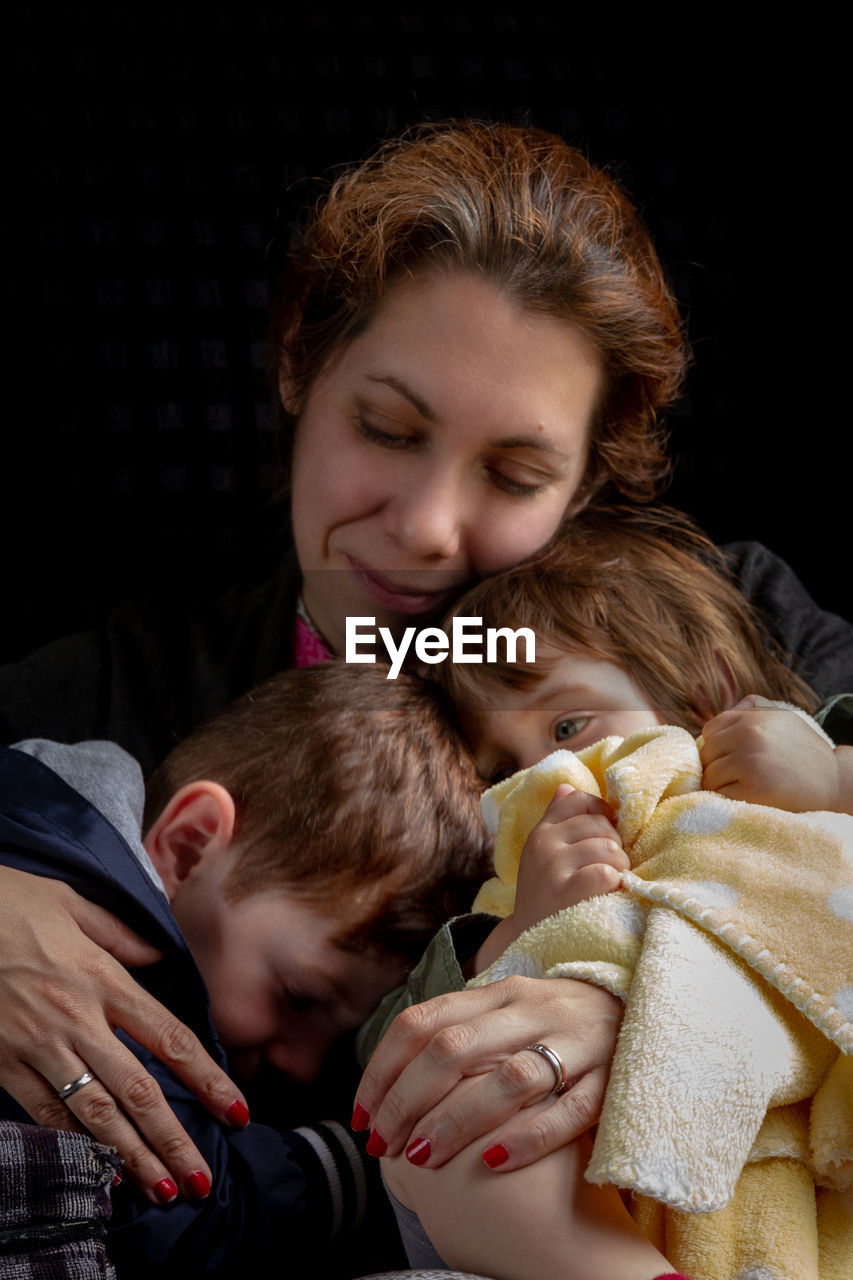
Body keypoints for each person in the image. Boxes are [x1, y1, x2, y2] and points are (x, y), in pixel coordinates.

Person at [1, 119, 850, 1209]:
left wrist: (659, 994)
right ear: (300, 362)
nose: (428, 528)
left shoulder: (719, 621)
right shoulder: (125, 688)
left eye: (513, 471)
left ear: (587, 481)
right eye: (390, 429)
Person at [363, 507, 851, 1279]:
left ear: (703, 693)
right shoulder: (516, 877)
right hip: (613, 1209)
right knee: (441, 1123)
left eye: (567, 728)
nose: (542, 776)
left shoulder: (797, 766)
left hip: (812, 1114)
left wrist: (833, 776)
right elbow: (391, 1049)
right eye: (501, 768)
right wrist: (514, 936)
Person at [0, 660, 493, 1275]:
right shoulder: (97, 943)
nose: (305, 1063)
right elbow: (186, 1217)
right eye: (300, 998)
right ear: (188, 846)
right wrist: (373, 1162)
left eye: (339, 1038)